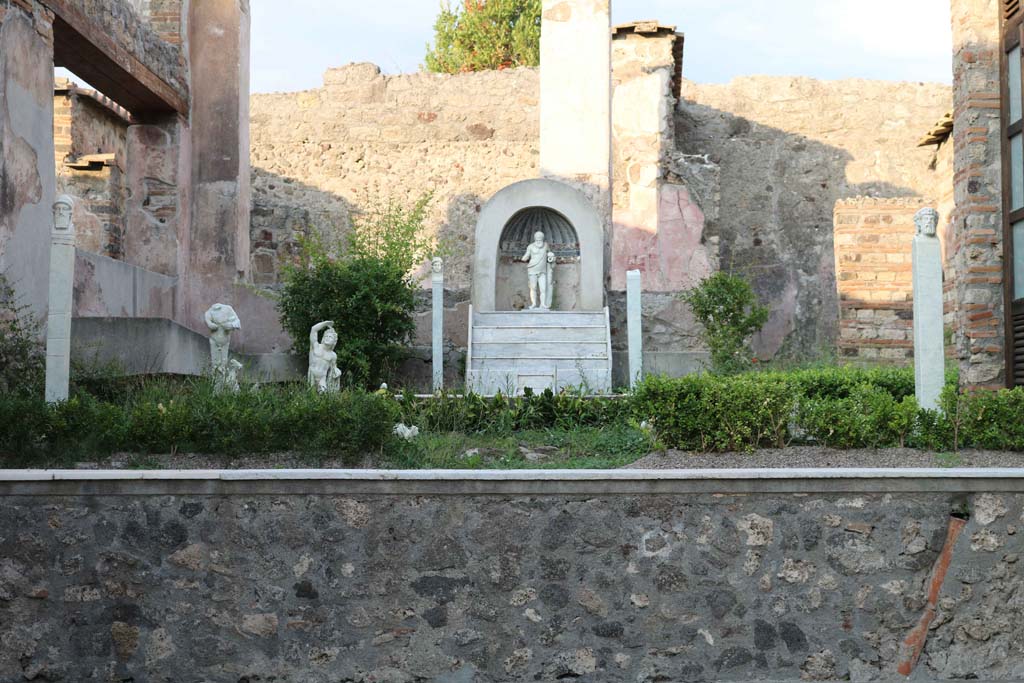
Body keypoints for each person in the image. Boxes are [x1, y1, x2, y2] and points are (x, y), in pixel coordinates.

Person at [520, 231, 552, 310]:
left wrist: (551, 257)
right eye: (537, 239)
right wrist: (524, 257)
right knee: (533, 288)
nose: (539, 241)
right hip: (532, 269)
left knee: (543, 288)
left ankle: (543, 304)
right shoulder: (530, 246)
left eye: (540, 239)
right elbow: (526, 256)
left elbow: (550, 254)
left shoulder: (546, 245)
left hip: (542, 271)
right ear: (535, 239)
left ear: (542, 238)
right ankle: (534, 304)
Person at [308, 320, 342, 393]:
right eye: (326, 336)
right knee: (311, 397)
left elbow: (333, 369)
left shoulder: (333, 355)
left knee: (323, 395)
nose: (327, 338)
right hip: (312, 376)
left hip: (322, 379)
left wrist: (337, 371)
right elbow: (313, 329)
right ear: (323, 338)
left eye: (330, 337)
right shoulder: (316, 346)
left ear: (334, 342)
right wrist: (325, 323)